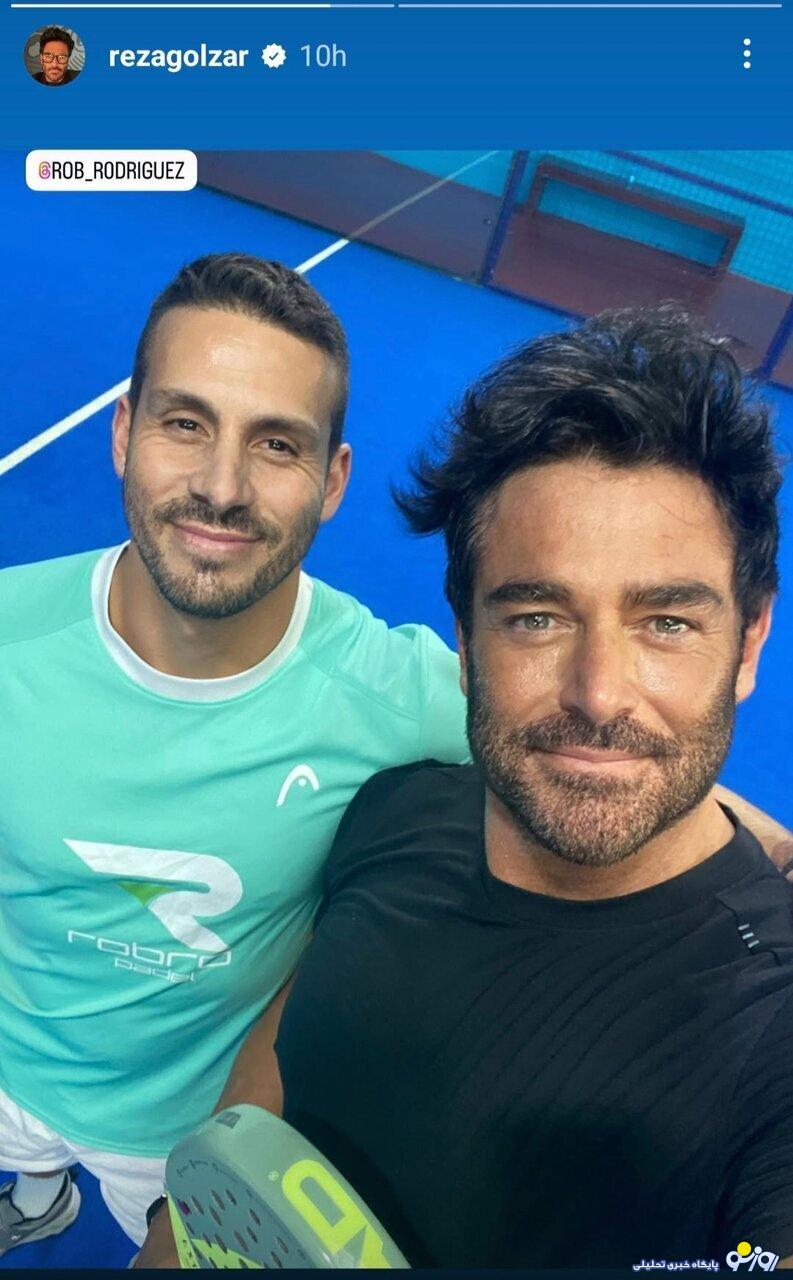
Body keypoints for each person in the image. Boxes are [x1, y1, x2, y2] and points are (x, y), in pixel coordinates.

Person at [187, 305, 793, 1269]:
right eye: (536, 617)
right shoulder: (393, 812)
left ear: (748, 643)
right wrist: (176, 1228)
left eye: (666, 624)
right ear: (466, 642)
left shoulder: (770, 1020)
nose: (598, 694)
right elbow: (288, 1042)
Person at [0, 253, 471, 1258]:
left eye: (276, 443)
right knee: (27, 1152)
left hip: (189, 1130)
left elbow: (581, 758)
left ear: (332, 481)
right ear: (122, 432)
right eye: (185, 423)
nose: (220, 487)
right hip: (10, 1062)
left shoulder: (388, 689)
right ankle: (38, 1195)